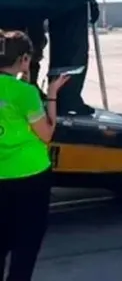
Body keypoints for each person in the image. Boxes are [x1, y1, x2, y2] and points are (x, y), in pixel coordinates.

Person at [1, 30, 71, 281]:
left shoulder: (21, 90)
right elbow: (46, 133)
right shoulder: (26, 93)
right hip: (29, 176)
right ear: (24, 59)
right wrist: (51, 94)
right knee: (25, 246)